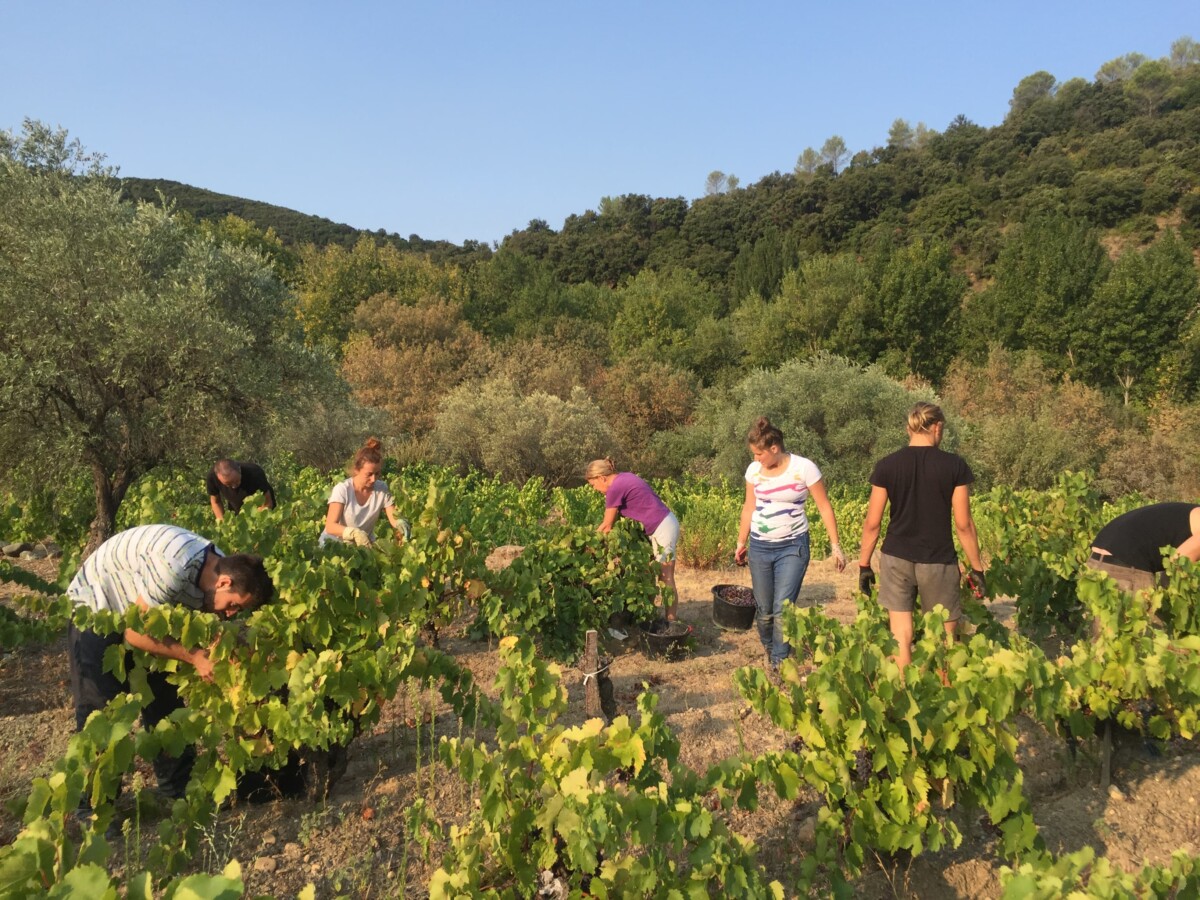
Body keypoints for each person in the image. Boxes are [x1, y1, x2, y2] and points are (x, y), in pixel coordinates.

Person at [67, 523, 274, 804]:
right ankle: (92, 809)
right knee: (102, 711)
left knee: (165, 700)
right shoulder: (174, 568)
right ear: (224, 583)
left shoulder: (220, 567)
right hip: (96, 606)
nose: (230, 614)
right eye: (233, 605)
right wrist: (194, 656)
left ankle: (177, 789)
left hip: (140, 609)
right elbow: (135, 632)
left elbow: (194, 620)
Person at [857, 402, 984, 671]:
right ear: (937, 428)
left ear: (909, 429)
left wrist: (864, 565)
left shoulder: (887, 465)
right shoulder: (954, 466)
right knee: (944, 640)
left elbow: (872, 523)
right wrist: (977, 568)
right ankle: (944, 699)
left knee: (900, 637)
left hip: (895, 558)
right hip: (938, 560)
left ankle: (904, 699)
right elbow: (963, 524)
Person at [734, 418, 847, 670]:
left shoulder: (804, 468)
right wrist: (741, 542)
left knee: (783, 609)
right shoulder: (753, 471)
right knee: (764, 612)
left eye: (759, 454)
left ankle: (778, 664)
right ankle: (772, 649)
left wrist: (836, 546)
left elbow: (824, 506)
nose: (756, 459)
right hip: (760, 547)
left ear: (774, 448)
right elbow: (748, 507)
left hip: (792, 547)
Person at [585, 458, 681, 621]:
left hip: (662, 527)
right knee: (649, 572)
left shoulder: (615, 488)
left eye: (593, 485)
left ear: (601, 477)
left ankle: (671, 622)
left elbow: (607, 526)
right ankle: (650, 615)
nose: (595, 489)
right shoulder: (624, 477)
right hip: (661, 525)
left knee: (665, 576)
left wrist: (589, 544)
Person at [1087, 502, 1200, 592]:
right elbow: (1178, 564)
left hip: (1098, 557)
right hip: (1126, 565)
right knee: (1147, 619)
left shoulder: (1191, 512)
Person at [320, 437, 410, 547]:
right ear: (356, 470)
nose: (374, 479)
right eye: (369, 474)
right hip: (333, 545)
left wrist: (399, 523)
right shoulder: (343, 489)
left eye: (377, 474)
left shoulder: (381, 488)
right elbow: (330, 526)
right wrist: (354, 533)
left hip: (363, 546)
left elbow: (393, 518)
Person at [206, 458, 276, 521]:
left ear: (239, 470)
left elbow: (267, 503)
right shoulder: (212, 477)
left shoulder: (255, 472)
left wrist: (254, 522)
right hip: (236, 511)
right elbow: (216, 502)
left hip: (260, 511)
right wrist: (223, 522)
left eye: (236, 481)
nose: (234, 486)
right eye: (228, 485)